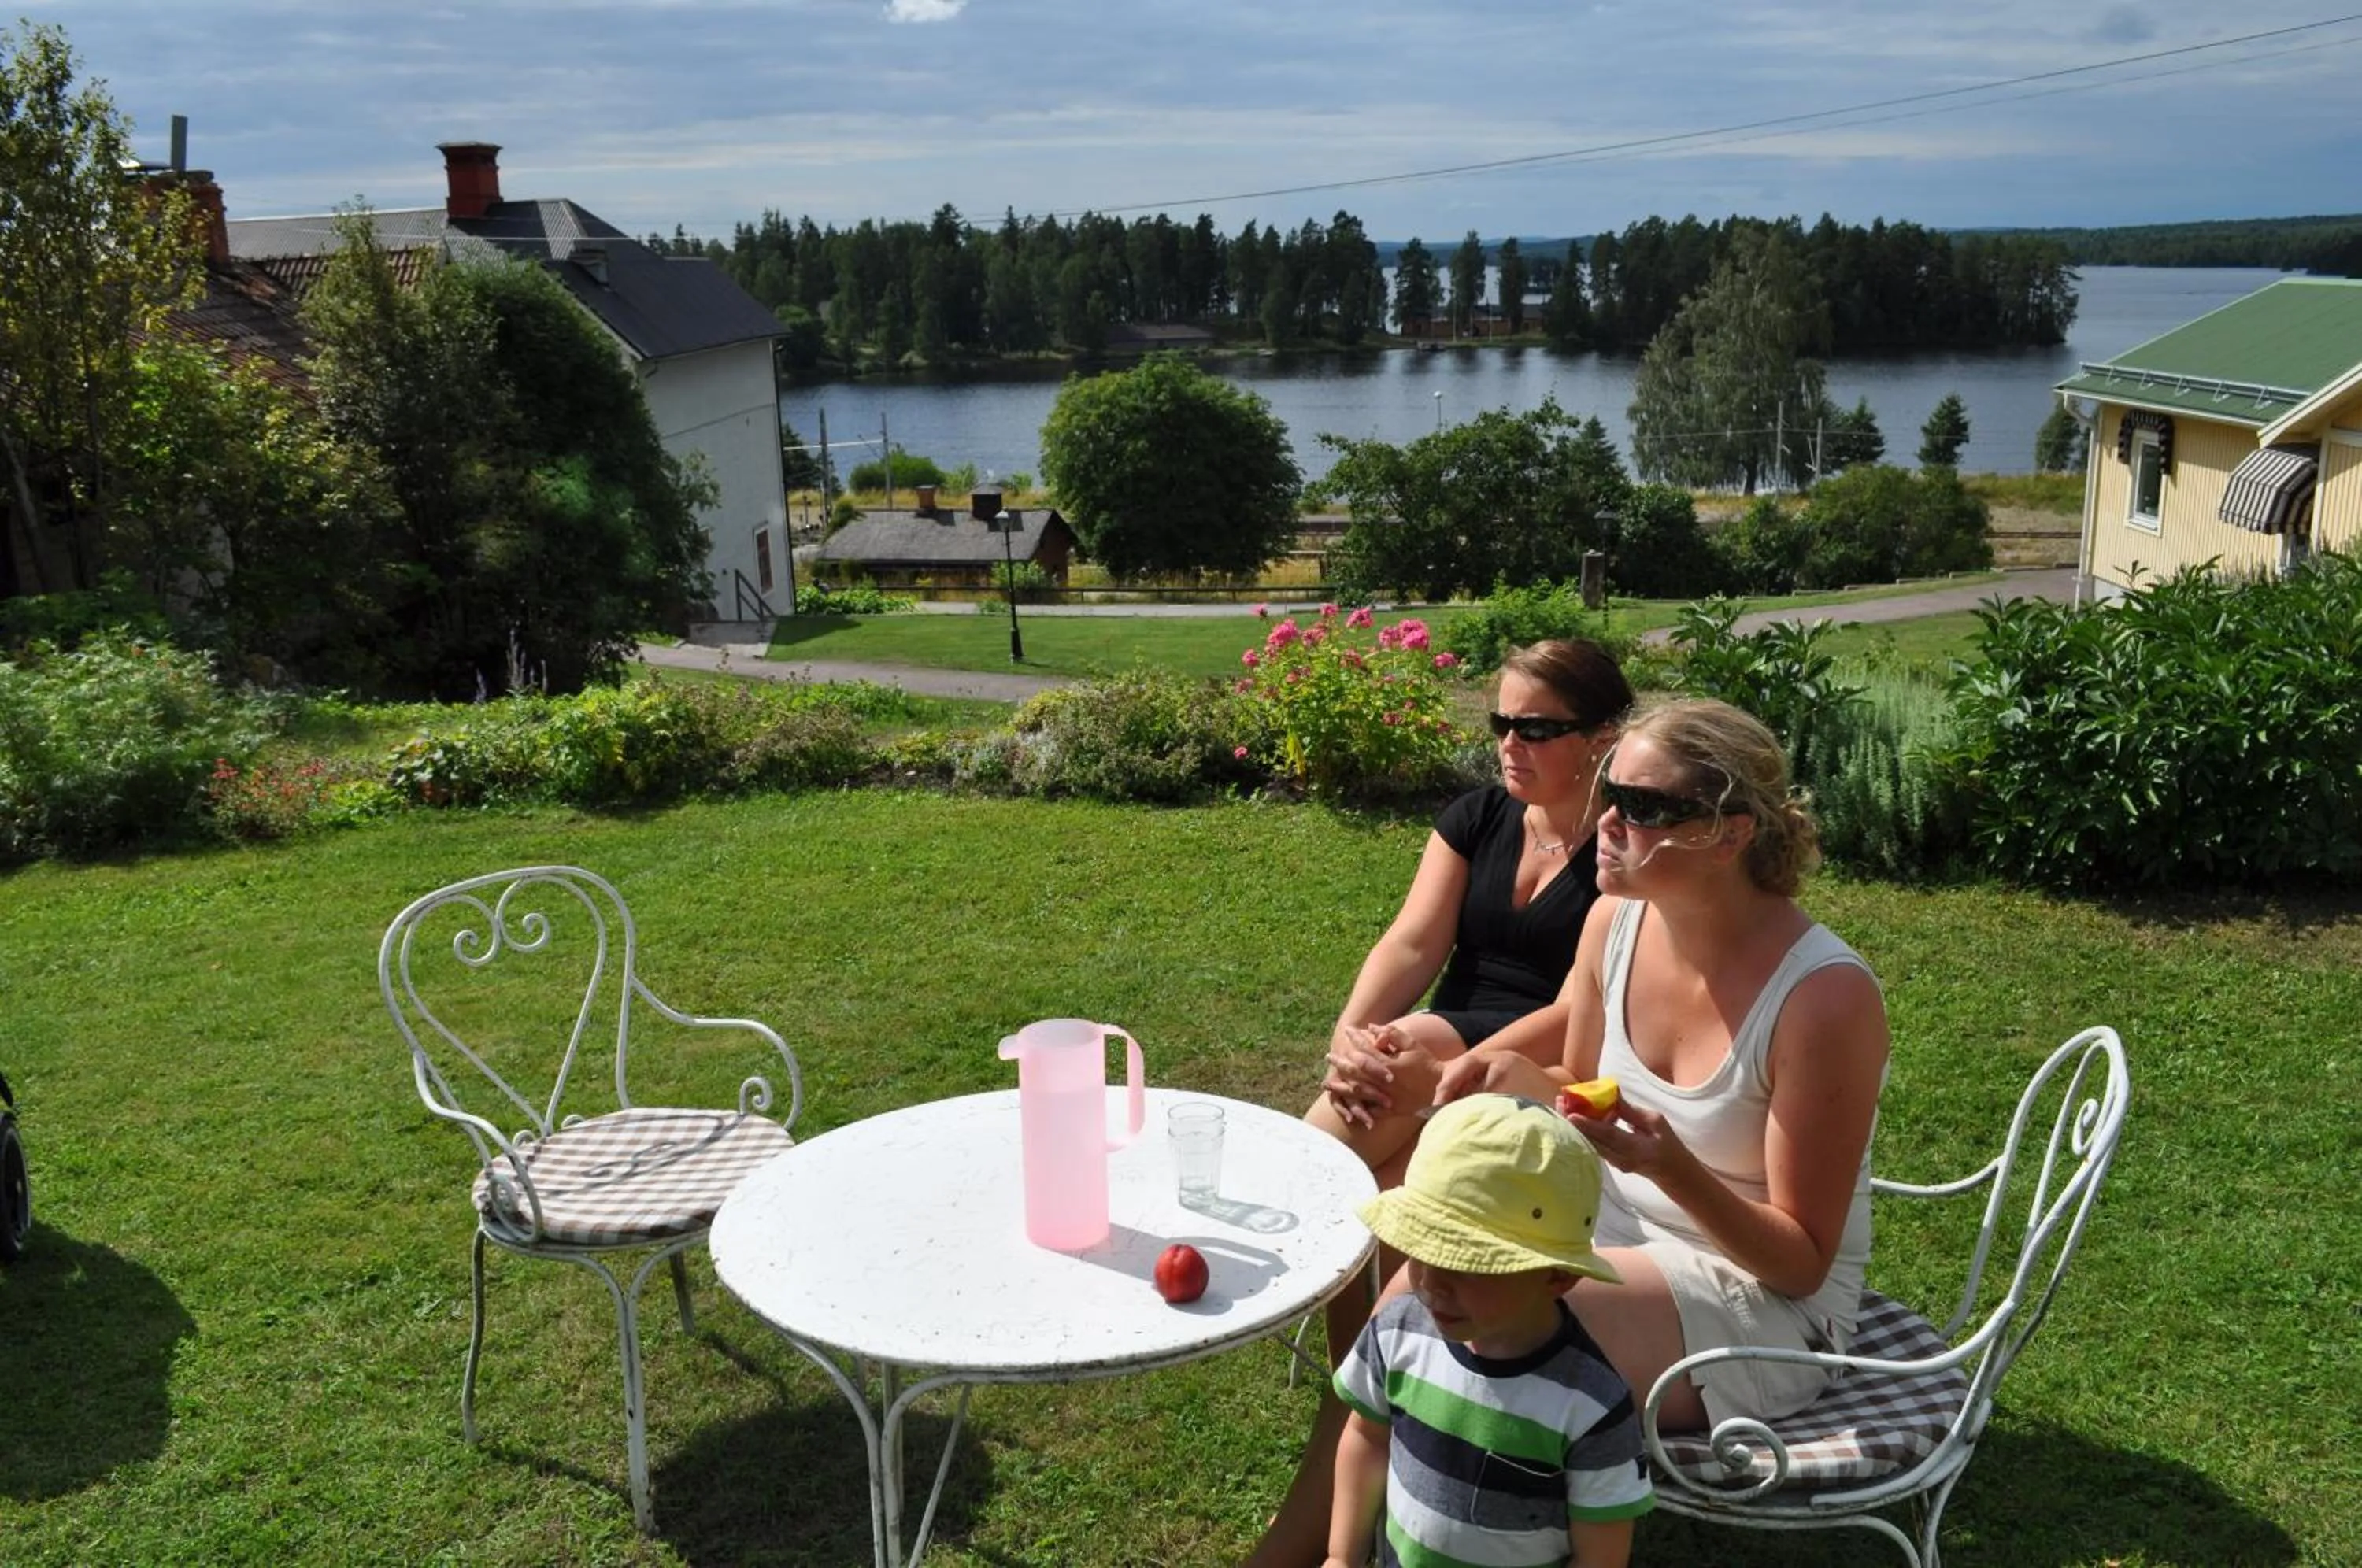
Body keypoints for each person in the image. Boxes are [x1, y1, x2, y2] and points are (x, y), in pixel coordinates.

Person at [1251, 698, 1889, 1565]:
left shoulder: (1822, 998)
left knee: (1444, 1313)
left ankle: (1313, 1554)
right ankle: (1338, 1550)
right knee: (1422, 1287)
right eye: (1609, 791)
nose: (1608, 822)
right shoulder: (1614, 923)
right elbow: (1578, 1098)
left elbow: (1800, 1262)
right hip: (1609, 1228)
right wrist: (1467, 1083)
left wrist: (1673, 1170)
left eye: (1646, 807)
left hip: (1762, 1302)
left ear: (1731, 834)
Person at [1305, 638, 1632, 1359]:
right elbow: (1412, 944)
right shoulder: (1478, 817)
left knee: (1363, 1147)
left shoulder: (1624, 848)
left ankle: (1376, 1393)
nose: (1510, 745)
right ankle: (1365, 1376)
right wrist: (1351, 1039)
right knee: (1372, 1193)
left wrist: (1454, 1073)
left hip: (1547, 1059)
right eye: (1501, 725)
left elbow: (1587, 1003)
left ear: (1601, 739)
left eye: (1536, 729)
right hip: (1448, 1033)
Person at [1327, 1093, 1651, 1568]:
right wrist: (1342, 1555)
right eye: (1422, 1250)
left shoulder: (1591, 1407)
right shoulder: (1396, 1334)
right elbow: (1367, 1438)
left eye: (1470, 1265)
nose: (1433, 1283)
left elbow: (1600, 1556)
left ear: (1557, 1277)